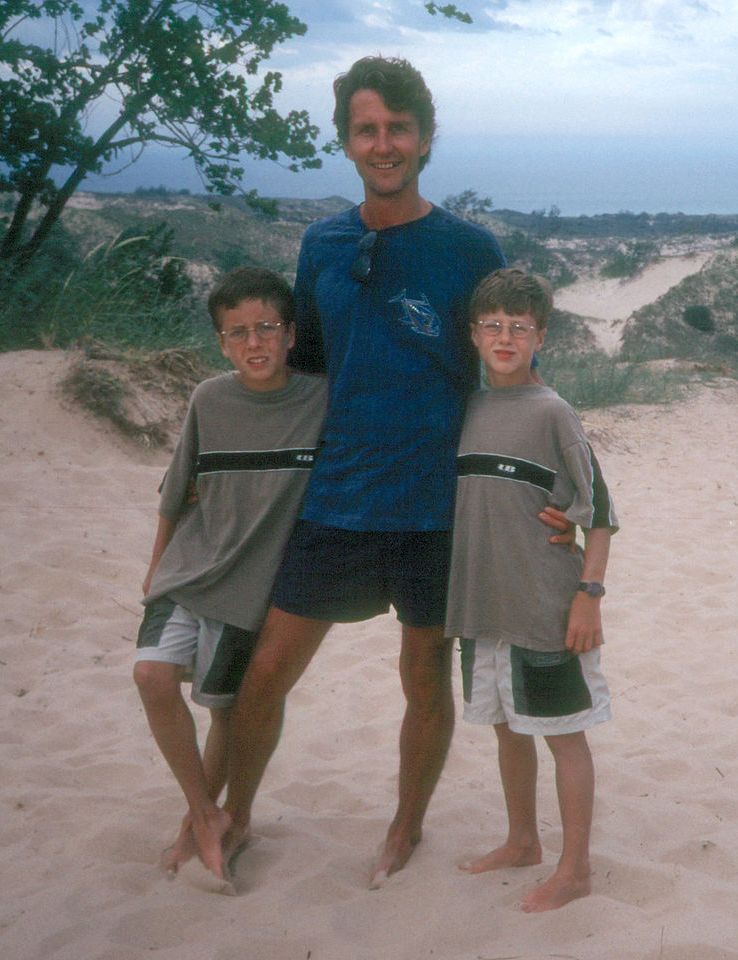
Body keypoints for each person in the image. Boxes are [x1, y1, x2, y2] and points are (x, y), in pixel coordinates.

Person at [220, 55, 571, 886]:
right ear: (346, 141)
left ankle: (405, 827)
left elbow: (513, 373)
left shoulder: (468, 248)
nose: (384, 144)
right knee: (266, 671)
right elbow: (303, 370)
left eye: (399, 129)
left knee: (423, 677)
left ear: (425, 138)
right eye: (367, 129)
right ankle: (233, 816)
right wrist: (224, 457)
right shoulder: (322, 244)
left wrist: (555, 491)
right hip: (337, 496)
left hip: (435, 506)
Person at [134, 266, 327, 882]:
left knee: (225, 710)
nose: (254, 343)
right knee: (151, 676)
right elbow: (176, 491)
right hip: (188, 570)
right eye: (237, 333)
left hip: (251, 589)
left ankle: (207, 824)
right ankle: (201, 815)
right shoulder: (209, 400)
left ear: (290, 333)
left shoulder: (321, 401)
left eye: (266, 328)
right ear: (221, 343)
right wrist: (155, 564)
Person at [447, 268, 619, 912]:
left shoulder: (553, 412)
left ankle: (575, 870)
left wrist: (589, 595)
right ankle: (522, 841)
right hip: (482, 603)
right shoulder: (466, 407)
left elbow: (600, 513)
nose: (505, 338)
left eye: (519, 327)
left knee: (563, 734)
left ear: (540, 337)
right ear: (473, 334)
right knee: (506, 727)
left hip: (546, 603)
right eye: (492, 326)